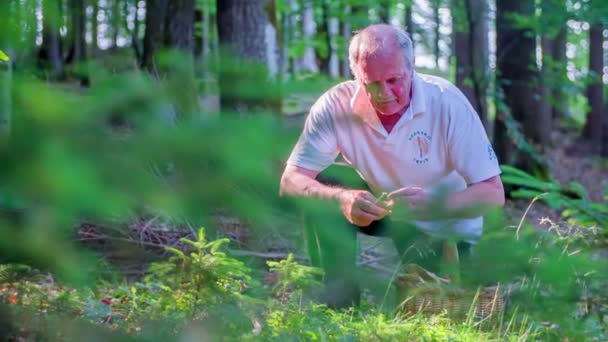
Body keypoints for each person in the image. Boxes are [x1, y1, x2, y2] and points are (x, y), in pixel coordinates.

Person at [279, 24, 505, 308]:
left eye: (393, 80)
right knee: (328, 182)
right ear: (356, 75)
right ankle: (338, 304)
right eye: (370, 82)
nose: (383, 93)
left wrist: (432, 204)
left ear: (411, 69)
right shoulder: (336, 105)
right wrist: (340, 199)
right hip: (383, 207)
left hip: (442, 224)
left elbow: (493, 194)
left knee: (432, 305)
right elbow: (291, 180)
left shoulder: (446, 102)